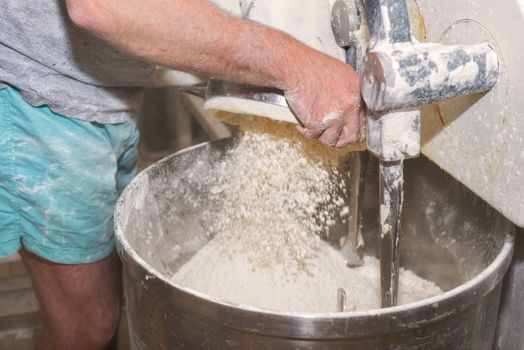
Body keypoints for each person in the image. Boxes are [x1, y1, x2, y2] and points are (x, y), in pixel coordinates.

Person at [0, 1, 363, 349]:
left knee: (110, 299)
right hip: (38, 94)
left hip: (106, 95)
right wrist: (298, 66)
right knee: (87, 327)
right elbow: (103, 6)